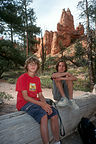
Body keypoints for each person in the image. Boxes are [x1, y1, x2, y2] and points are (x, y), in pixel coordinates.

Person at [16, 56, 61, 144]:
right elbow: (25, 97)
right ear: (26, 66)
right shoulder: (22, 78)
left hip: (36, 102)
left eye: (35, 64)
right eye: (30, 64)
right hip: (24, 103)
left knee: (54, 113)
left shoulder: (37, 79)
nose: (33, 66)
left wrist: (46, 105)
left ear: (37, 66)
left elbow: (40, 95)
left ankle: (57, 141)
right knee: (43, 116)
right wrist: (42, 105)